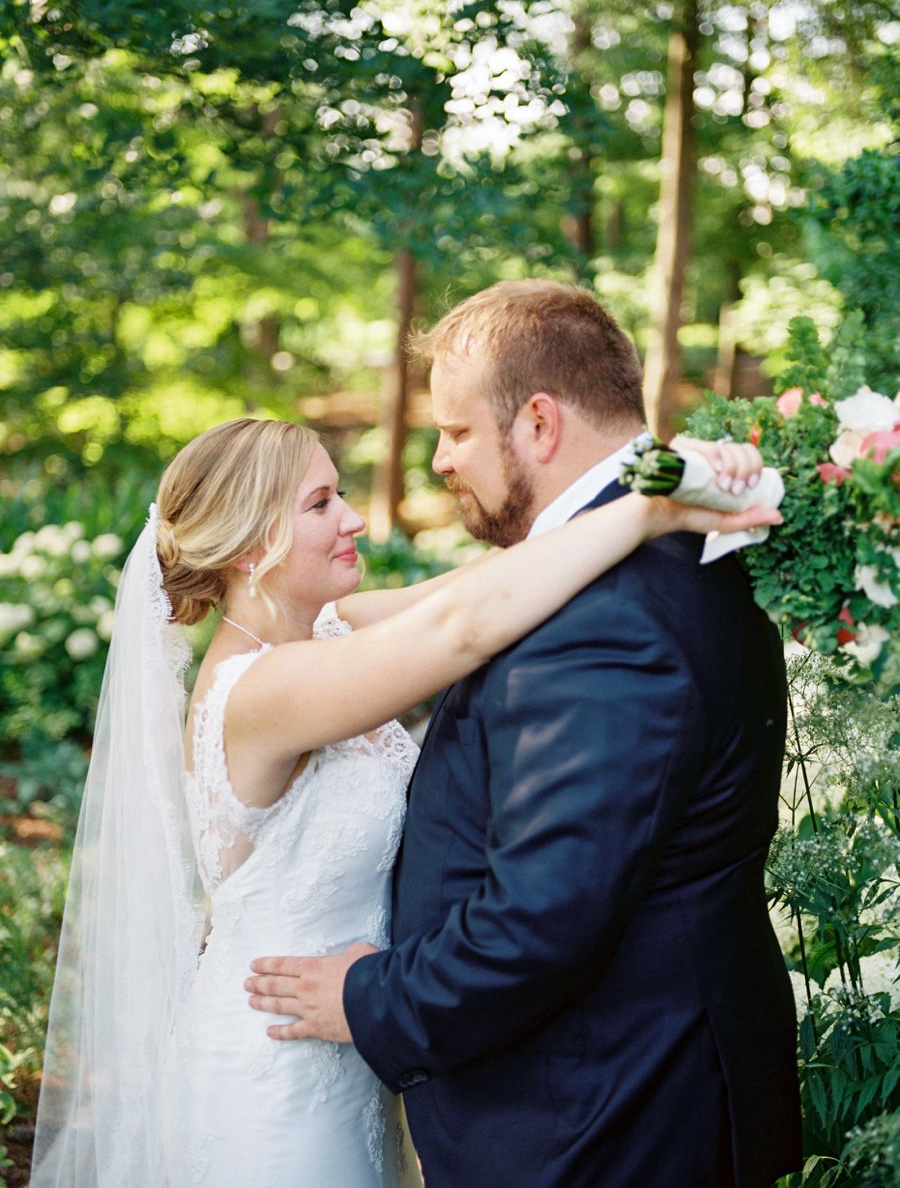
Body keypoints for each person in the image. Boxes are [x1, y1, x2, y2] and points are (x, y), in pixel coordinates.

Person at [246, 280, 804, 1188]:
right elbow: (435, 616)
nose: (437, 462)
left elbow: (540, 918)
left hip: (604, 1119)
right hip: (634, 1085)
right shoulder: (665, 547)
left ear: (539, 424)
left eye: (457, 431)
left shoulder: (608, 615)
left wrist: (366, 997)